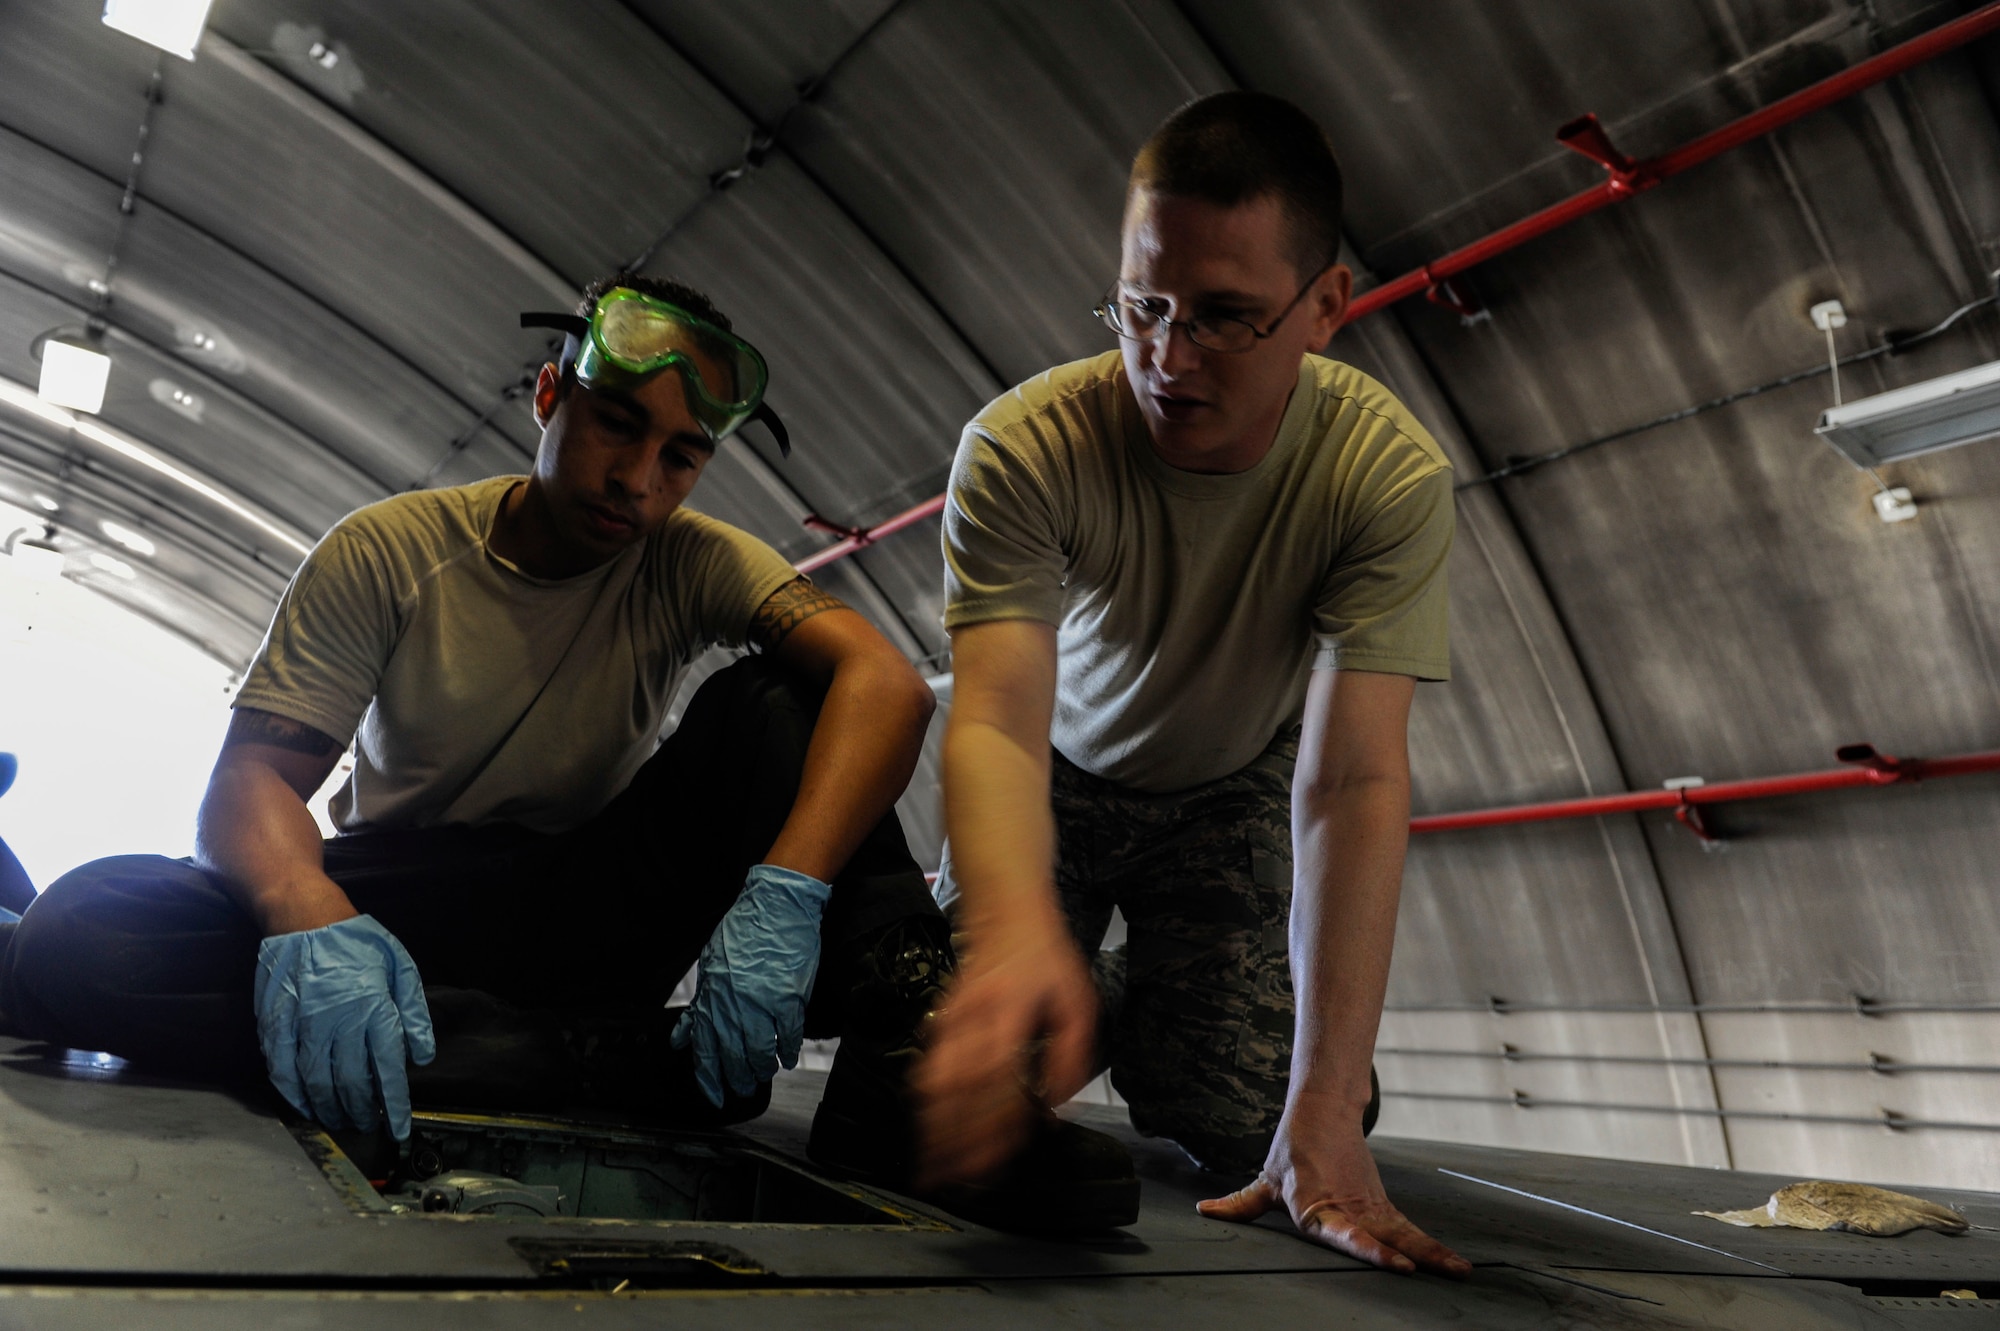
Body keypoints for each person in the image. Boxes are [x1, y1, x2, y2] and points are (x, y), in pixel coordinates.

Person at [0, 275, 1134, 1231]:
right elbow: (251, 780)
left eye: (682, 456)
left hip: (584, 903)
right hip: (390, 905)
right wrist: (305, 908)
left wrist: (785, 890)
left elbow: (883, 683)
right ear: (549, 395)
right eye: (615, 425)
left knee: (782, 701)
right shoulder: (394, 549)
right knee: (82, 930)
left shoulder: (687, 558)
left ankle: (900, 1082)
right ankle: (599, 1063)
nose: (638, 479)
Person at [918, 91, 1471, 1275]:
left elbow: (1352, 777)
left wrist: (1321, 1107)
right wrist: (1012, 930)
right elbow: (997, 724)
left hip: (1232, 790)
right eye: (1142, 307)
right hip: (1055, 773)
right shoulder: (1025, 447)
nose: (1166, 361)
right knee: (946, 1098)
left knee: (1259, 1125)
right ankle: (1080, 972)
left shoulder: (1382, 477)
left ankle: (1143, 1000)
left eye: (1223, 319)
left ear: (1323, 307)